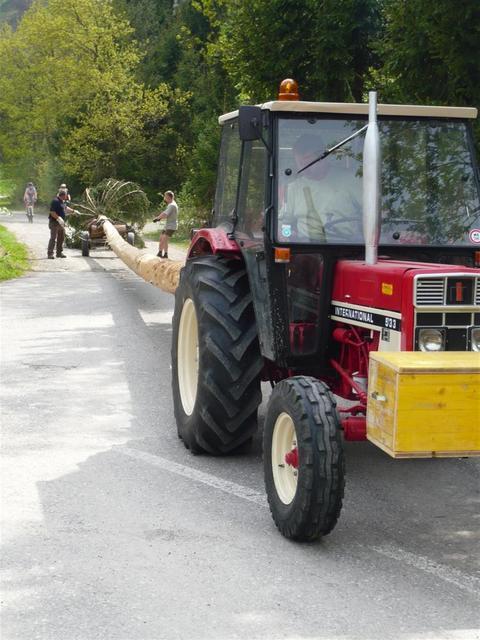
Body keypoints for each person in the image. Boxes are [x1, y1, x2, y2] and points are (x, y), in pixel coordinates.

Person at [279, 134, 361, 242]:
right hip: (307, 249)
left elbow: (372, 212)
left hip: (347, 245)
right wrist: (287, 234)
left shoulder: (350, 180)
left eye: (308, 163)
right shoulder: (293, 188)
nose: (304, 168)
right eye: (299, 163)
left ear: (323, 158)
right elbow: (283, 223)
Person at [152, 190, 178, 259]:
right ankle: (165, 254)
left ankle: (160, 253)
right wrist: (159, 218)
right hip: (167, 225)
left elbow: (165, 214)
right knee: (161, 239)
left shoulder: (172, 205)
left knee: (164, 239)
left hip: (171, 226)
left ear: (169, 197)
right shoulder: (171, 204)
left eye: (165, 196)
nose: (164, 198)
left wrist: (157, 218)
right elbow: (165, 213)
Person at [47, 189, 69, 259]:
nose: (67, 196)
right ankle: (50, 254)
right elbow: (52, 212)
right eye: (66, 195)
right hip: (54, 223)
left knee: (61, 238)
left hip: (61, 224)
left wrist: (74, 211)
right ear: (63, 195)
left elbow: (65, 208)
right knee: (53, 238)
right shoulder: (55, 201)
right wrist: (58, 218)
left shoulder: (62, 201)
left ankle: (59, 253)